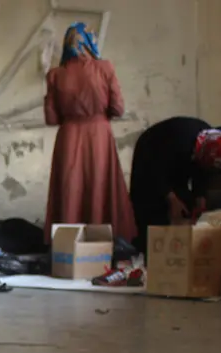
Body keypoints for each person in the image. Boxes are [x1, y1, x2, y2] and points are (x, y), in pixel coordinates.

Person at [44, 22, 136, 244]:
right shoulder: (104, 68)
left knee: (70, 189)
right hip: (99, 136)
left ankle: (68, 245)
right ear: (88, 42)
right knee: (100, 184)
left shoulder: (55, 75)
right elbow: (118, 108)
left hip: (69, 136)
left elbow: (51, 118)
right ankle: (104, 244)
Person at [129, 117, 212, 252]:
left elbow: (202, 172)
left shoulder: (212, 145)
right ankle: (149, 251)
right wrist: (172, 198)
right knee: (151, 204)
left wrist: (200, 197)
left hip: (178, 156)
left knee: (183, 202)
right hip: (150, 154)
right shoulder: (181, 142)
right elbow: (155, 170)